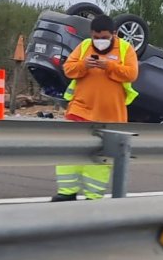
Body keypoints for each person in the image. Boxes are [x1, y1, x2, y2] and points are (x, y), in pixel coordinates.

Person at [51, 14, 139, 202]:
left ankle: (93, 197)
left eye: (104, 38)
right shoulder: (84, 47)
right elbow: (69, 69)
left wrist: (109, 66)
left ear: (114, 34)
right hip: (80, 110)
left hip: (111, 115)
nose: (99, 41)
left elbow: (131, 74)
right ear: (91, 34)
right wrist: (84, 65)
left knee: (100, 160)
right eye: (96, 38)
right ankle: (66, 192)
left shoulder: (125, 49)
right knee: (70, 152)